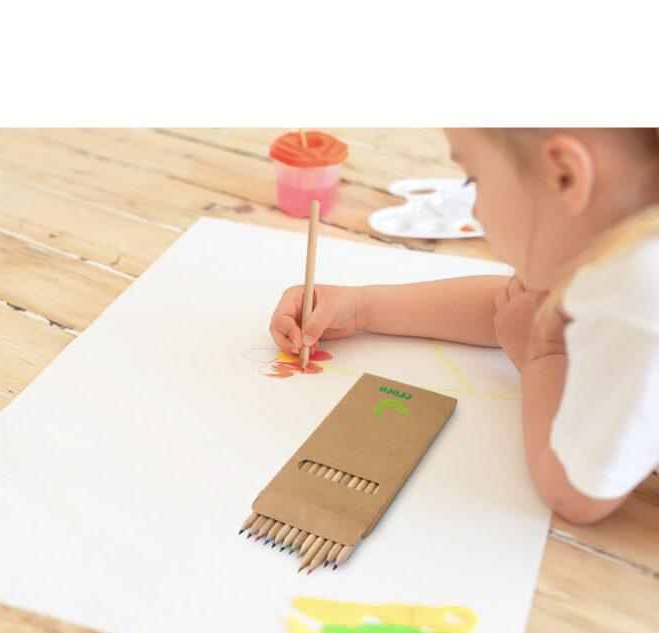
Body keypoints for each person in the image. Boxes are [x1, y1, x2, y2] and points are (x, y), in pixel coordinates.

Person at [269, 129, 659, 524]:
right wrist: (362, 307)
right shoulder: (619, 236)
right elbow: (517, 311)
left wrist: (541, 354)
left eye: (474, 181)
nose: (473, 211)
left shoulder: (639, 293)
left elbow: (576, 493)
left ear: (565, 177)